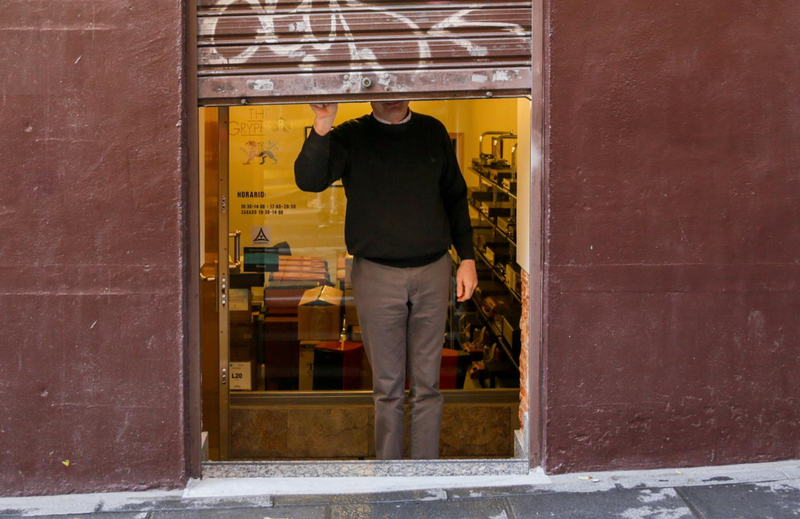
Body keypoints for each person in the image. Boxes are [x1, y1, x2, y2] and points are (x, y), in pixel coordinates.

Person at [294, 101, 478, 460]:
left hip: (433, 270)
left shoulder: (432, 131)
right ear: (369, 92)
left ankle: (424, 472)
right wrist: (322, 124)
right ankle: (390, 474)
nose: (391, 94)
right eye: (382, 86)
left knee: (428, 386)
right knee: (387, 389)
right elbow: (309, 180)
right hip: (375, 274)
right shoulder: (351, 134)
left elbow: (455, 196)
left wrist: (467, 258)